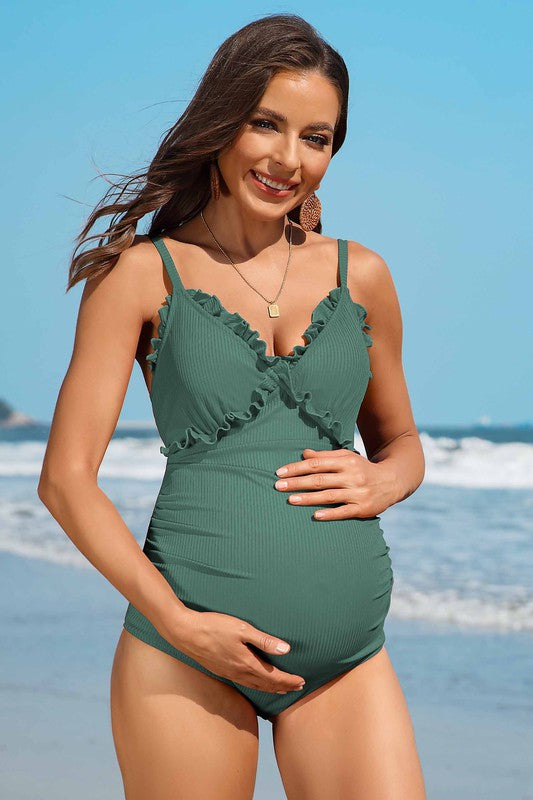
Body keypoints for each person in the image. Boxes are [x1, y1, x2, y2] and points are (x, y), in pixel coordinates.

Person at [38, 13, 427, 800]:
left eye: (315, 137)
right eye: (266, 124)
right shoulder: (142, 275)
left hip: (347, 662)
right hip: (185, 656)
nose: (288, 158)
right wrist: (180, 625)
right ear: (222, 121)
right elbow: (66, 481)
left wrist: (387, 481)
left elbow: (403, 440)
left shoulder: (364, 277)